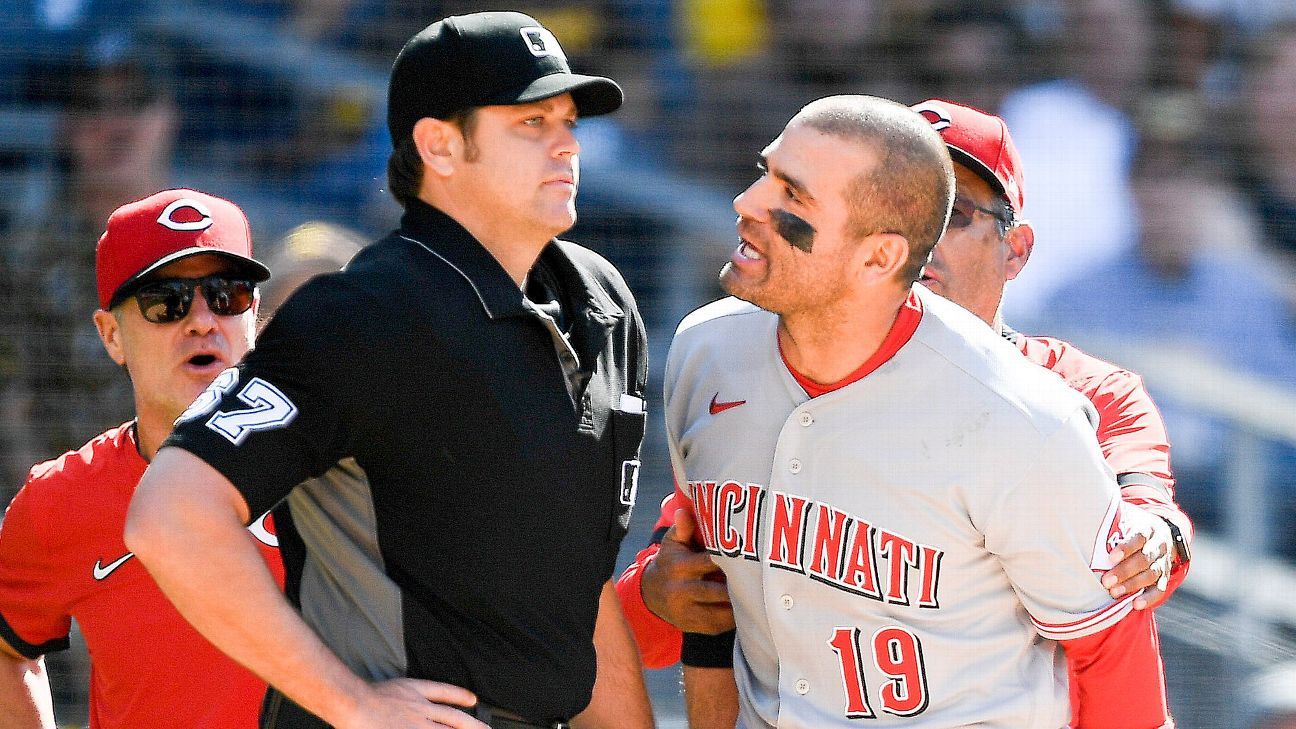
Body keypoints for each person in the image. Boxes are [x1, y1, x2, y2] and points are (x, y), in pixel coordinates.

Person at [124, 11, 653, 729]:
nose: (567, 144)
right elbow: (170, 517)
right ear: (438, 144)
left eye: (569, 120)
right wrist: (352, 702)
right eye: (531, 123)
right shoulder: (364, 313)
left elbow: (575, 587)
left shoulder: (603, 303)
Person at [617, 100, 1196, 688]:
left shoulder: (1075, 394)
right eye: (900, 204)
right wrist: (659, 593)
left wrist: (1157, 539)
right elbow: (648, 621)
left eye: (954, 214)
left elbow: (1140, 549)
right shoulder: (762, 368)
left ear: (1016, 250)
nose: (922, 235)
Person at [0, 189, 284, 727]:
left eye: (227, 296)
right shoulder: (60, 500)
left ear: (255, 317)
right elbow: (7, 651)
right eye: (166, 301)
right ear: (111, 336)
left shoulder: (347, 471)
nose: (202, 321)